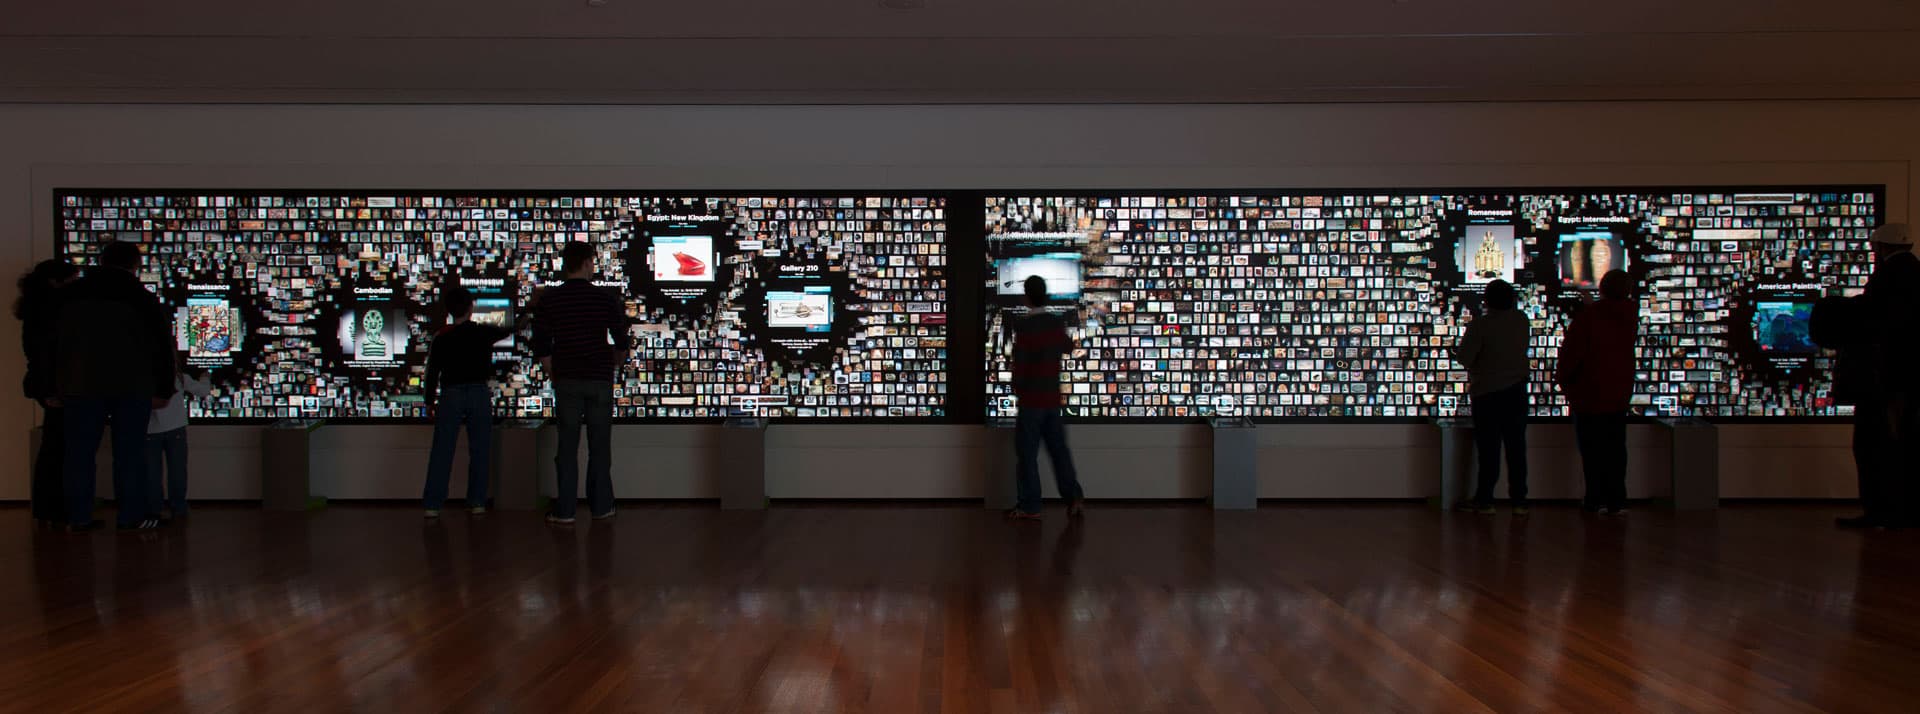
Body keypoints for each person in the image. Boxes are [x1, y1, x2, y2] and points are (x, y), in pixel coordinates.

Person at [54, 241, 176, 532]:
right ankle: (132, 515)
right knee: (130, 453)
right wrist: (163, 387)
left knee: (79, 454)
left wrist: (51, 385)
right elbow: (161, 346)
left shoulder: (68, 296)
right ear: (135, 265)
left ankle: (78, 516)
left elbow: (51, 344)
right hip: (131, 386)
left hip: (79, 385)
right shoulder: (141, 298)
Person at [1819, 223, 1920, 529]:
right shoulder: (1915, 273)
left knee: (1874, 446)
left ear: (1879, 248)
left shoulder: (1888, 278)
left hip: (1883, 381)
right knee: (1906, 445)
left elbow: (1872, 319)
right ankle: (1907, 512)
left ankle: (1880, 512)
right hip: (1908, 382)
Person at [531, 242, 630, 525]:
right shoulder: (604, 298)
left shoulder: (551, 299)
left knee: (566, 447)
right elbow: (621, 340)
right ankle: (601, 506)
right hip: (598, 378)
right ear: (587, 263)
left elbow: (541, 343)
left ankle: (565, 510)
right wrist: (616, 361)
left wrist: (552, 370)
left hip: (568, 379)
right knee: (599, 447)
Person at [421, 285, 513, 518]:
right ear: (471, 307)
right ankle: (477, 502)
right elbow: (509, 330)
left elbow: (432, 372)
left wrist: (429, 400)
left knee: (442, 450)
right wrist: (530, 309)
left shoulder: (441, 337)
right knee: (480, 450)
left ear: (450, 310)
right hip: (478, 394)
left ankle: (433, 504)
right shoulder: (481, 332)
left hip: (450, 394)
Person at [1556, 270, 1638, 516]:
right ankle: (1617, 499)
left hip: (1588, 393)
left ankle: (1595, 499)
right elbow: (1608, 323)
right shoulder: (1629, 315)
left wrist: (1566, 383)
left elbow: (1572, 355)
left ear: (1602, 289)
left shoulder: (1588, 319)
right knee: (1615, 449)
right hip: (1618, 394)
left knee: (1592, 451)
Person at [1006, 275, 1085, 521]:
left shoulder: (1024, 326)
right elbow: (1068, 347)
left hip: (1031, 401)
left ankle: (1030, 506)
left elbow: (1020, 365)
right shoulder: (1054, 321)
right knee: (1059, 451)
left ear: (1026, 296)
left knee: (1027, 456)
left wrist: (1016, 388)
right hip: (1052, 399)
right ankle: (1073, 497)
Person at [1455, 279, 1531, 515]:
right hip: (1517, 391)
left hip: (1487, 393)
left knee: (1489, 449)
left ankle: (1485, 499)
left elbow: (1465, 358)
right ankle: (1519, 501)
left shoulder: (1480, 326)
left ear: (1487, 301)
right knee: (1516, 448)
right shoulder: (1521, 321)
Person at [16, 259, 79, 528]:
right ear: (56, 282)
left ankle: (49, 509)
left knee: (53, 447)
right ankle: (55, 508)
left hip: (49, 387)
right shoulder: (51, 313)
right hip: (56, 387)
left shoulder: (36, 310)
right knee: (58, 449)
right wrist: (52, 389)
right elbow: (47, 357)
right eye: (72, 280)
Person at [147, 357, 211, 522]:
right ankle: (178, 509)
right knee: (177, 471)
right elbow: (203, 391)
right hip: (176, 429)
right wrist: (205, 377)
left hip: (149, 431)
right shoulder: (178, 377)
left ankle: (155, 510)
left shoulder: (144, 376)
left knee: (152, 473)